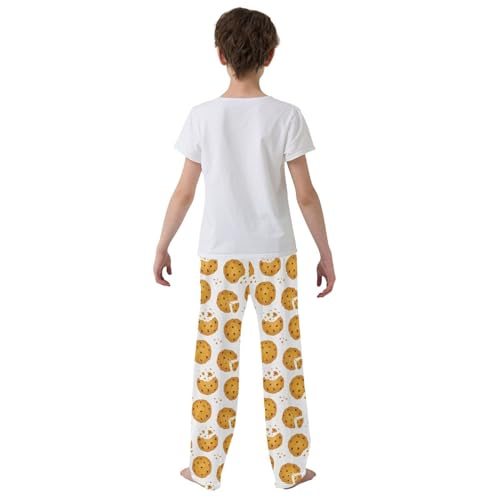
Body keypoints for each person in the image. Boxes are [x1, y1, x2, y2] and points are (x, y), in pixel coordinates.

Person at [153, 7, 336, 491]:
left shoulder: (202, 117)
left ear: (220, 55)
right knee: (283, 360)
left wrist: (163, 244)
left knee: (214, 361)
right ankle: (290, 468)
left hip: (220, 258)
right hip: (275, 256)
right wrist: (325, 252)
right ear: (270, 56)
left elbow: (184, 192)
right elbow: (305, 195)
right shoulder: (286, 116)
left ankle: (204, 468)